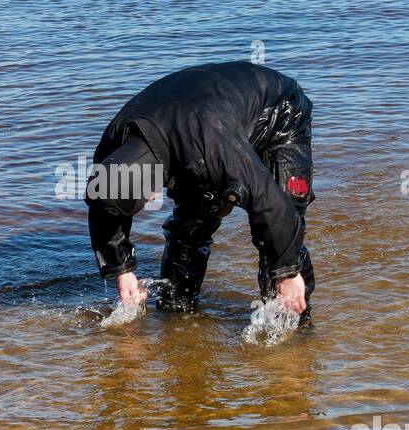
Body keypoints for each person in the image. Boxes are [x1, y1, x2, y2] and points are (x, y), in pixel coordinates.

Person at [85, 61, 315, 322]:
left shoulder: (213, 149)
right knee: (189, 228)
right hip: (191, 122)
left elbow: (270, 204)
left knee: (282, 232)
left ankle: (296, 330)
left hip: (278, 111)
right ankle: (176, 316)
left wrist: (286, 272)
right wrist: (122, 270)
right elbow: (102, 205)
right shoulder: (114, 146)